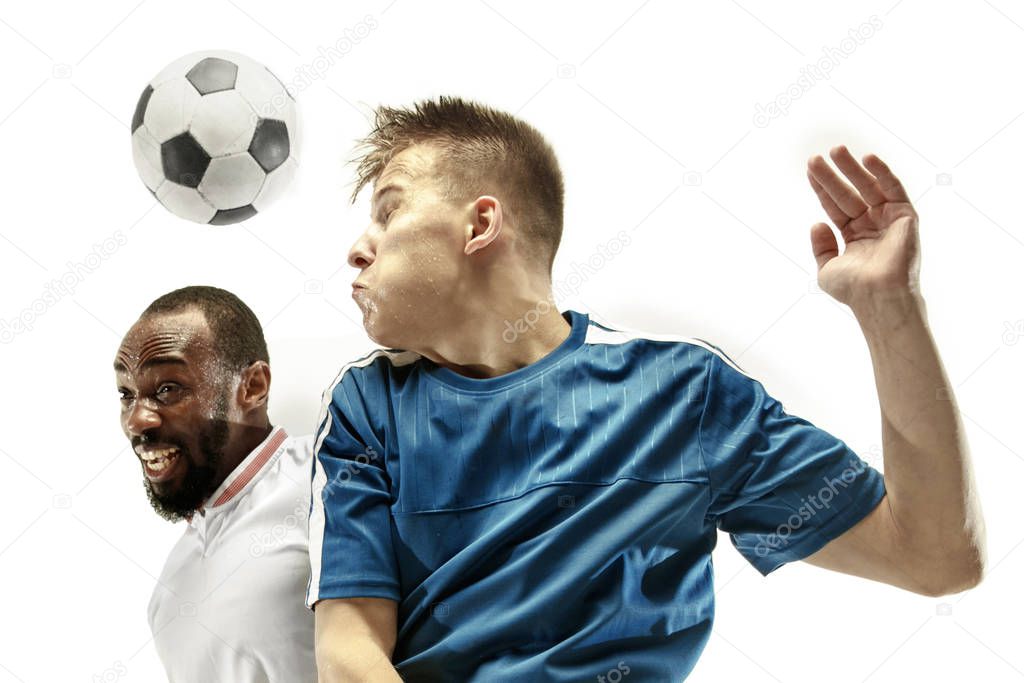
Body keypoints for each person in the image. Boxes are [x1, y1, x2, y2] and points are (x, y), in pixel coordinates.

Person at [306, 95, 986, 681]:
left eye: (387, 213)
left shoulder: (680, 394)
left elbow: (935, 556)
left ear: (480, 225)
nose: (358, 249)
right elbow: (348, 647)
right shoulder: (368, 408)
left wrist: (889, 308)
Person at [114, 285, 316, 681]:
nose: (136, 421)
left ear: (253, 386)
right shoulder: (169, 590)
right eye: (126, 394)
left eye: (167, 389)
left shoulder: (331, 477)